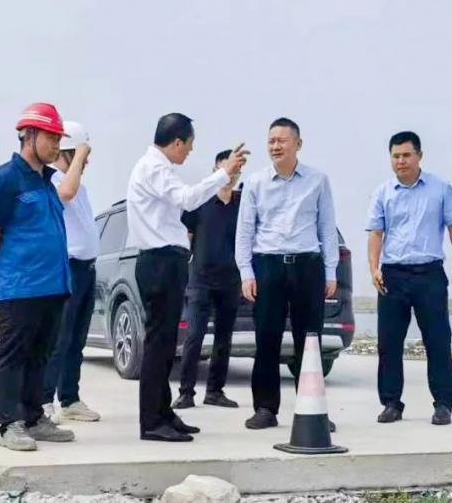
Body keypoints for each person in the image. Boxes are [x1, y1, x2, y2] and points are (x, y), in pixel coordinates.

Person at [126, 113, 248, 442]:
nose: (190, 152)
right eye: (190, 145)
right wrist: (223, 172)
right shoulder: (153, 168)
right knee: (158, 345)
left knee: (166, 345)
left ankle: (163, 412)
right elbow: (187, 199)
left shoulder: (159, 168)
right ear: (177, 141)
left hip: (168, 261)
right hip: (160, 262)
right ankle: (152, 421)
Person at [0, 102, 76, 451]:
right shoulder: (4, 179)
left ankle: (35, 418)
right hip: (20, 285)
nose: (56, 145)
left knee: (40, 355)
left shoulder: (47, 183)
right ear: (29, 135)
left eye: (59, 139)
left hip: (53, 285)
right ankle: (10, 424)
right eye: (51, 137)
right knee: (13, 355)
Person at [235, 117, 338, 431]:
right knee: (267, 339)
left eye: (282, 140)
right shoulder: (255, 182)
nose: (275, 146)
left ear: (298, 144)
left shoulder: (318, 180)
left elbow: (326, 228)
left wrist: (331, 271)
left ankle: (314, 410)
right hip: (268, 265)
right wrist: (246, 271)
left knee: (310, 341)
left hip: (307, 266)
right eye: (271, 141)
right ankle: (265, 408)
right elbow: (245, 230)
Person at [366, 131, 452, 426]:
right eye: (396, 156)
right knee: (388, 343)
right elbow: (375, 233)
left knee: (437, 340)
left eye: (406, 155)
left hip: (429, 274)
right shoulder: (383, 192)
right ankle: (391, 403)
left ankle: (444, 403)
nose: (401, 161)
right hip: (393, 275)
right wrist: (374, 268)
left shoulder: (440, 188)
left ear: (419, 156)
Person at [171, 150, 242, 411]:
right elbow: (186, 238)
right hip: (200, 280)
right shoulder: (199, 203)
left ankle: (215, 391)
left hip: (231, 280)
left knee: (224, 338)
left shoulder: (243, 205)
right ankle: (186, 393)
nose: (230, 175)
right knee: (195, 336)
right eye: (226, 170)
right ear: (215, 171)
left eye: (235, 171)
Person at [41, 121, 101, 424]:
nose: (86, 161)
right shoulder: (52, 179)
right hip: (66, 267)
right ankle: (44, 400)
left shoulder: (80, 185)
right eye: (82, 155)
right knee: (59, 339)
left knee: (77, 339)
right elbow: (66, 192)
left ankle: (70, 398)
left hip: (86, 270)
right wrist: (78, 153)